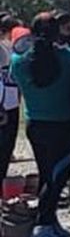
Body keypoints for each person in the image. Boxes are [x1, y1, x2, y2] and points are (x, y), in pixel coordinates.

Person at [12, 13, 70, 237]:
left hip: (35, 123)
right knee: (57, 178)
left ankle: (51, 222)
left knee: (46, 174)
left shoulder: (19, 61)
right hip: (63, 124)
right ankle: (42, 224)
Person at [0, 16, 22, 190]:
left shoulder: (17, 51)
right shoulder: (2, 50)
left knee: (7, 149)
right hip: (3, 106)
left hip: (12, 105)